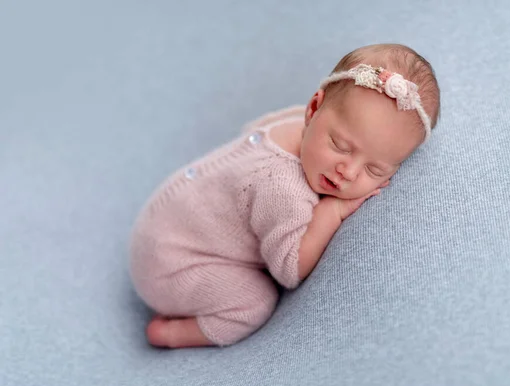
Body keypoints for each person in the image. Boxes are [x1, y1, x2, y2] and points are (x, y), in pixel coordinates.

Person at [129, 43, 441, 348]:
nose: (348, 172)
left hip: (163, 223)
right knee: (254, 303)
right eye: (341, 147)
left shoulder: (294, 122)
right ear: (314, 109)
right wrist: (331, 213)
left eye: (374, 169)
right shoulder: (283, 188)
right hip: (171, 268)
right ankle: (170, 335)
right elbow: (290, 270)